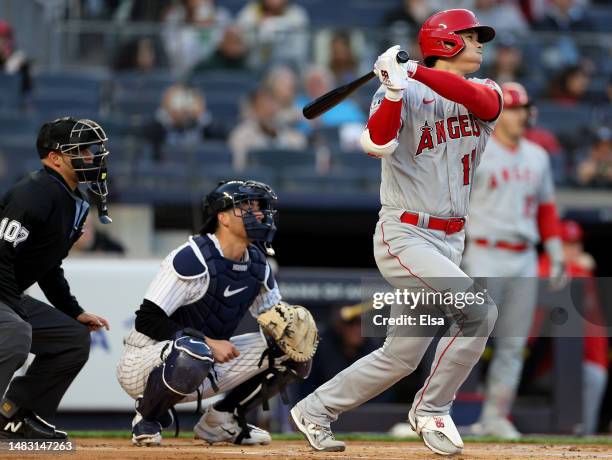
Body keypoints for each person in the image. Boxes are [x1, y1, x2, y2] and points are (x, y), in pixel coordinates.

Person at [291, 9, 502, 456]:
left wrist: (413, 70)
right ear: (446, 42)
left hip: (451, 240)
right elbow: (376, 144)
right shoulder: (402, 91)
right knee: (479, 312)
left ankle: (314, 409)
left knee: (401, 356)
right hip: (404, 234)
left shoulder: (486, 89)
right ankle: (431, 410)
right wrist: (391, 89)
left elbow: (481, 104)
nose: (480, 43)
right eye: (470, 36)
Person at [116, 180, 318, 446]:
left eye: (259, 207)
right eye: (247, 206)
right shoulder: (193, 257)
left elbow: (274, 320)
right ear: (222, 217)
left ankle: (223, 419)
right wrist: (208, 342)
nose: (258, 214)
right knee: (195, 350)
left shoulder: (258, 265)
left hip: (203, 363)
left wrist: (291, 324)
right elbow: (147, 319)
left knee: (294, 347)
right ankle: (148, 416)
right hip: (144, 365)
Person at [462, 82, 565, 439]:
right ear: (500, 111)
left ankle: (495, 415)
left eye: (524, 108)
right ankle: (436, 411)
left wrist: (554, 255)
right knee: (468, 338)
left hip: (523, 256)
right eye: (515, 108)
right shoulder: (479, 148)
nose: (522, 114)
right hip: (482, 252)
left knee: (512, 344)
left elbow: (547, 210)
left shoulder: (537, 155)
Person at [0, 117, 111, 439]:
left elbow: (48, 265)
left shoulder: (74, 199)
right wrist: (14, 309)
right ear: (55, 157)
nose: (92, 158)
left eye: (93, 151)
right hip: (4, 290)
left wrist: (73, 311)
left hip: (6, 292)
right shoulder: (34, 193)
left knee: (72, 337)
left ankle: (14, 416)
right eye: (83, 151)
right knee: (14, 330)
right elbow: (1, 255)